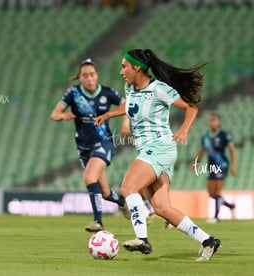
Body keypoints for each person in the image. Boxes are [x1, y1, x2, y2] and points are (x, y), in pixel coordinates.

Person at [95, 49, 221, 261]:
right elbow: (130, 106)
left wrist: (183, 130)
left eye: (124, 66)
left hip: (160, 147)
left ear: (137, 67)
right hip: (149, 150)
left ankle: (142, 239)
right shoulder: (131, 88)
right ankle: (208, 241)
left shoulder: (160, 89)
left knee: (128, 187)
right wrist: (109, 113)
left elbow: (191, 108)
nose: (121, 71)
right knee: (162, 208)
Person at [50, 58, 129, 232]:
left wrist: (125, 123)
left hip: (104, 143)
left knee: (89, 178)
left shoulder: (107, 93)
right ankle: (123, 202)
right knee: (106, 192)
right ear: (80, 78)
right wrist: (64, 116)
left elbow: (127, 105)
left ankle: (98, 221)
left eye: (92, 74)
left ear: (97, 75)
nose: (89, 78)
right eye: (85, 76)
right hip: (84, 148)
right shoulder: (73, 94)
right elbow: (54, 114)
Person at [193, 112, 236, 223]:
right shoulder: (206, 137)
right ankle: (230, 206)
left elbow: (232, 150)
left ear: (219, 122)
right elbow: (201, 151)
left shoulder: (223, 135)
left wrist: (233, 165)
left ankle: (216, 217)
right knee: (211, 193)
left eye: (215, 120)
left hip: (222, 165)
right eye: (211, 120)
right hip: (211, 167)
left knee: (217, 192)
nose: (213, 122)